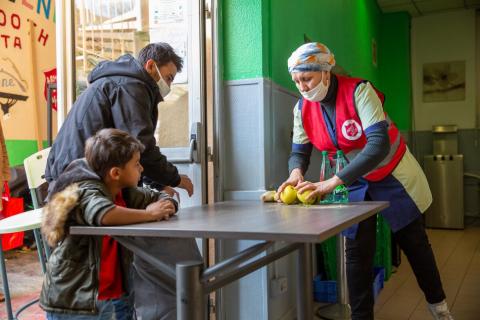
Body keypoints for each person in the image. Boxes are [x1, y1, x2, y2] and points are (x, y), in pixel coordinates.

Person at [277, 42, 453, 320]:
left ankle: (440, 309)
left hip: (392, 174)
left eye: (307, 78)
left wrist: (331, 183)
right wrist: (295, 172)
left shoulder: (359, 91)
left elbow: (378, 144)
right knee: (357, 255)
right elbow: (299, 151)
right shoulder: (302, 108)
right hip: (356, 181)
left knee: (415, 245)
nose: (302, 86)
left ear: (326, 72)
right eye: (297, 80)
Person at [40, 128, 178, 319]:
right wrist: (149, 214)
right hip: (78, 303)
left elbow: (159, 196)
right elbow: (104, 214)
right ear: (116, 173)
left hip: (117, 296)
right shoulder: (85, 190)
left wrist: (168, 203)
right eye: (136, 164)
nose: (141, 169)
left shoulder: (123, 191)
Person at [45, 42, 193, 199]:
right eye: (169, 78)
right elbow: (140, 145)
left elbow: (132, 149)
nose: (168, 86)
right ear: (150, 66)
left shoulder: (123, 83)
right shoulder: (130, 87)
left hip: (72, 176)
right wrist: (174, 178)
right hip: (80, 184)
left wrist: (159, 183)